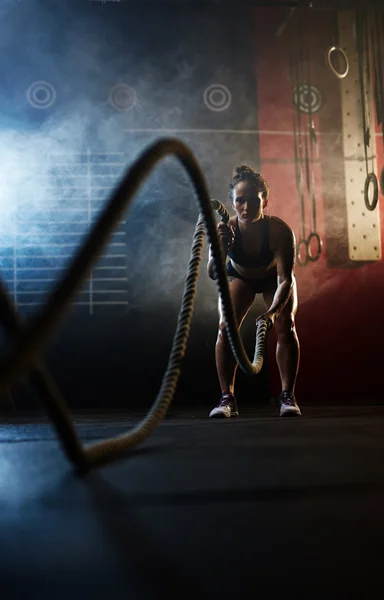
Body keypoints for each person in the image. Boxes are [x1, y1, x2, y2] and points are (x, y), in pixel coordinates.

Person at [207, 165, 301, 418]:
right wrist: (221, 246)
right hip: (242, 277)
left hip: (274, 280)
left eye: (253, 200)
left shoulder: (280, 231)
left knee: (285, 322)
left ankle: (287, 395)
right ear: (232, 202)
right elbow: (213, 272)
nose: (246, 207)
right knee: (225, 327)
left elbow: (285, 279)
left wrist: (271, 313)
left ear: (264, 200)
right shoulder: (225, 229)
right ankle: (227, 398)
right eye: (240, 200)